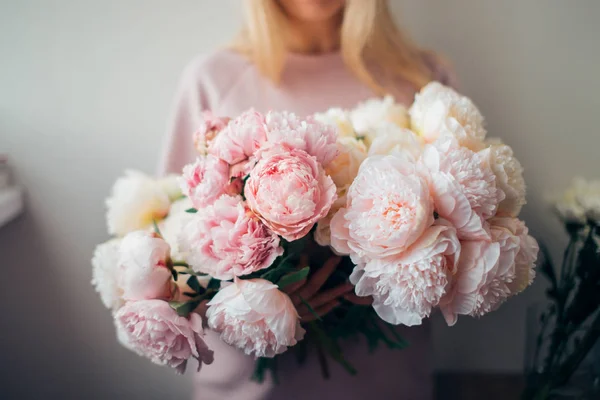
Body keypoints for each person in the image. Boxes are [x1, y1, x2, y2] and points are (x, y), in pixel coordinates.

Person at [159, 1, 456, 398]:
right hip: (251, 387)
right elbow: (170, 250)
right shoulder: (213, 79)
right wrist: (259, 300)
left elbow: (465, 239)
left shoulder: (422, 77)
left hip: (387, 383)